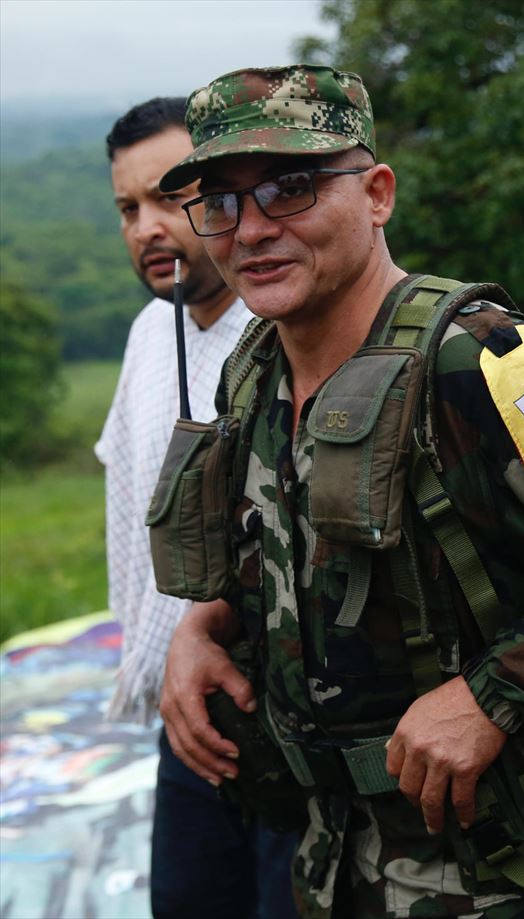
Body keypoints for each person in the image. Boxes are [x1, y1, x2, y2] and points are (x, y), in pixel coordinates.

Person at [154, 64, 524, 919]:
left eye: (291, 188)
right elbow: (288, 550)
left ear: (377, 193)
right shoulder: (256, 372)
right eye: (223, 203)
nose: (252, 229)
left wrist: (490, 696)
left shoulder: (486, 362)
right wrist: (205, 626)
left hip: (491, 865)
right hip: (331, 849)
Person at [98, 97, 297, 918]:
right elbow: (127, 496)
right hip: (182, 711)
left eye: (167, 199)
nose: (147, 227)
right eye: (126, 208)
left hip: (285, 714)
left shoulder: (289, 328)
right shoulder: (150, 331)